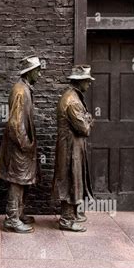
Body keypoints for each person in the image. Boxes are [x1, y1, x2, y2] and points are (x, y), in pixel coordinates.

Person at [0, 56, 41, 233]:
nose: (39, 74)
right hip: (19, 147)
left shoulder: (25, 89)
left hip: (22, 146)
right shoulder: (20, 91)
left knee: (22, 180)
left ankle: (19, 213)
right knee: (16, 181)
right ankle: (12, 219)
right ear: (29, 72)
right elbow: (15, 123)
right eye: (37, 70)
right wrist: (25, 144)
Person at [52, 64, 95, 232]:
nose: (89, 84)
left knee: (74, 179)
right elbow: (84, 128)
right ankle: (67, 219)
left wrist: (87, 119)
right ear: (80, 81)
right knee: (70, 179)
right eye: (87, 81)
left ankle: (73, 214)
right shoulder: (72, 101)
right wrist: (89, 120)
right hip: (70, 148)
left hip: (73, 147)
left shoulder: (74, 97)